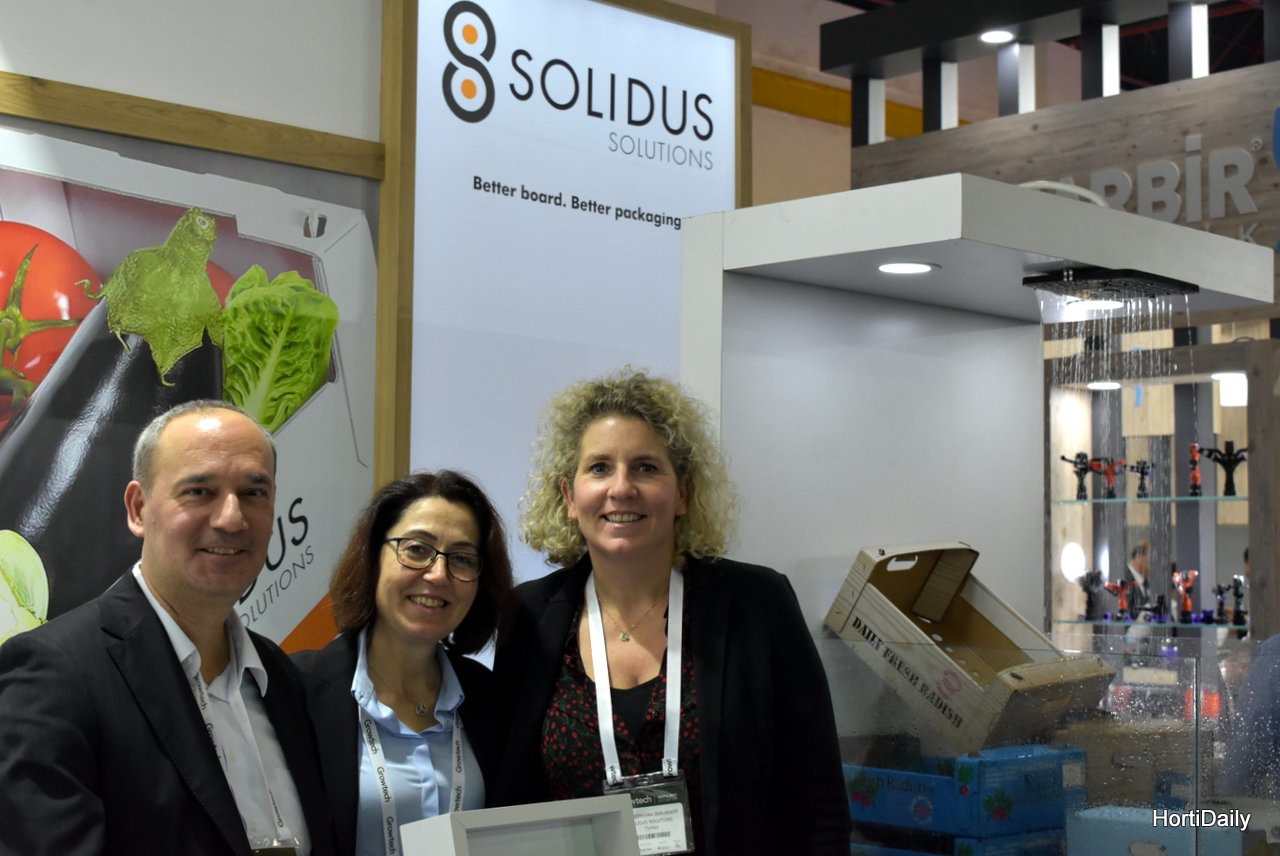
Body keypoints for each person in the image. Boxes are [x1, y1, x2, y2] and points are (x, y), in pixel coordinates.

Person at [493, 368, 848, 855]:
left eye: (645, 467)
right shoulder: (529, 615)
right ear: (569, 497)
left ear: (683, 493)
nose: (621, 488)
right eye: (599, 468)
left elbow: (819, 799)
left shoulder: (759, 604)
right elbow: (511, 795)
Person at [0, 400, 335, 855]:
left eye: (254, 493)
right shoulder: (55, 675)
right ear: (139, 508)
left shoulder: (281, 678)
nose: (232, 518)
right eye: (199, 491)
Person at [292, 471, 514, 855]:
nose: (438, 574)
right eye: (416, 549)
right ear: (373, 557)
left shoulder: (489, 697)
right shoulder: (298, 689)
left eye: (462, 559)